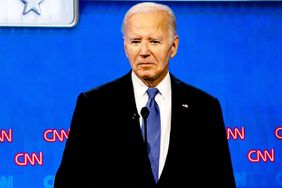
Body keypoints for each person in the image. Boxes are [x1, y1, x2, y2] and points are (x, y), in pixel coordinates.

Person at [54, 2, 236, 188]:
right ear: (125, 47)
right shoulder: (94, 105)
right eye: (135, 41)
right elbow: (69, 183)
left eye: (154, 41)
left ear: (173, 46)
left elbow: (222, 182)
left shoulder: (204, 108)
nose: (144, 52)